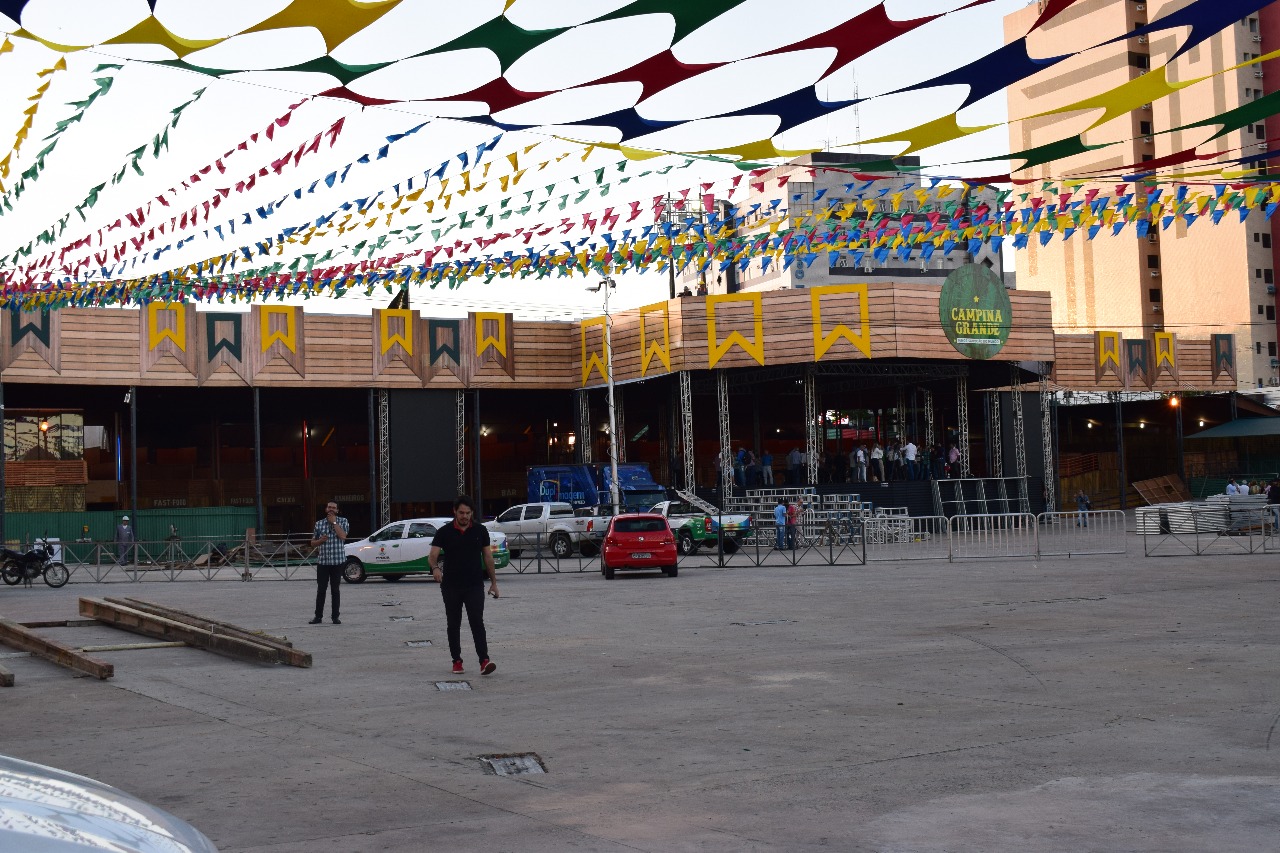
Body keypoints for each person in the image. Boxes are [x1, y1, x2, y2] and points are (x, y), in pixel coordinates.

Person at [430, 495, 500, 676]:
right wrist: (435, 568)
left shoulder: (480, 531)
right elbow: (432, 555)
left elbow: (488, 557)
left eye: (468, 513)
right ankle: (457, 661)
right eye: (461, 513)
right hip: (451, 586)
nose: (465, 516)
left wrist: (494, 583)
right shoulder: (444, 532)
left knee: (477, 621)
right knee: (454, 623)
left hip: (474, 585)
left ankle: (484, 661)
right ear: (455, 511)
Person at [309, 500, 349, 624]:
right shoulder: (319, 524)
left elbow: (343, 536)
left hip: (337, 562)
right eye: (329, 507)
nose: (331, 509)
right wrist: (320, 541)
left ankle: (335, 617)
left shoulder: (343, 521)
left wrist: (334, 523)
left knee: (335, 590)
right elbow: (312, 543)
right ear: (326, 509)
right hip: (323, 562)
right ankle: (318, 616)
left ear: (337, 510)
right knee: (321, 590)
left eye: (333, 508)